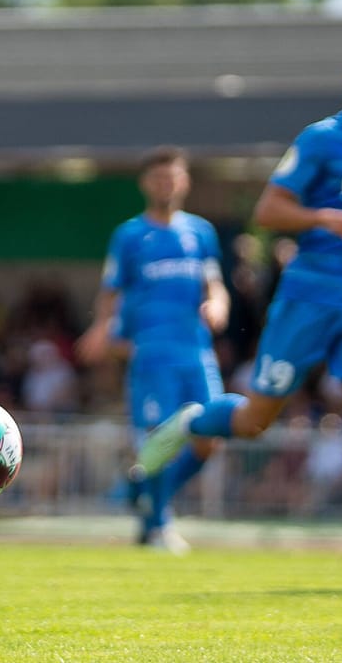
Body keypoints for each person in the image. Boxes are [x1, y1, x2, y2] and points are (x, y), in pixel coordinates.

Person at [134, 34, 342, 575]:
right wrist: (322, 218)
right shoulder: (321, 139)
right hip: (307, 296)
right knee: (255, 419)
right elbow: (270, 210)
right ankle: (193, 421)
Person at [75, 146, 229, 554]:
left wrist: (218, 305)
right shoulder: (130, 235)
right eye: (159, 177)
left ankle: (145, 493)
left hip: (197, 353)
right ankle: (159, 524)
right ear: (147, 184)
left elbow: (215, 285)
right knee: (160, 439)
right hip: (152, 355)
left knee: (210, 439)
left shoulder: (201, 233)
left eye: (173, 176)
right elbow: (111, 292)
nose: (167, 184)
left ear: (185, 181)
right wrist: (101, 327)